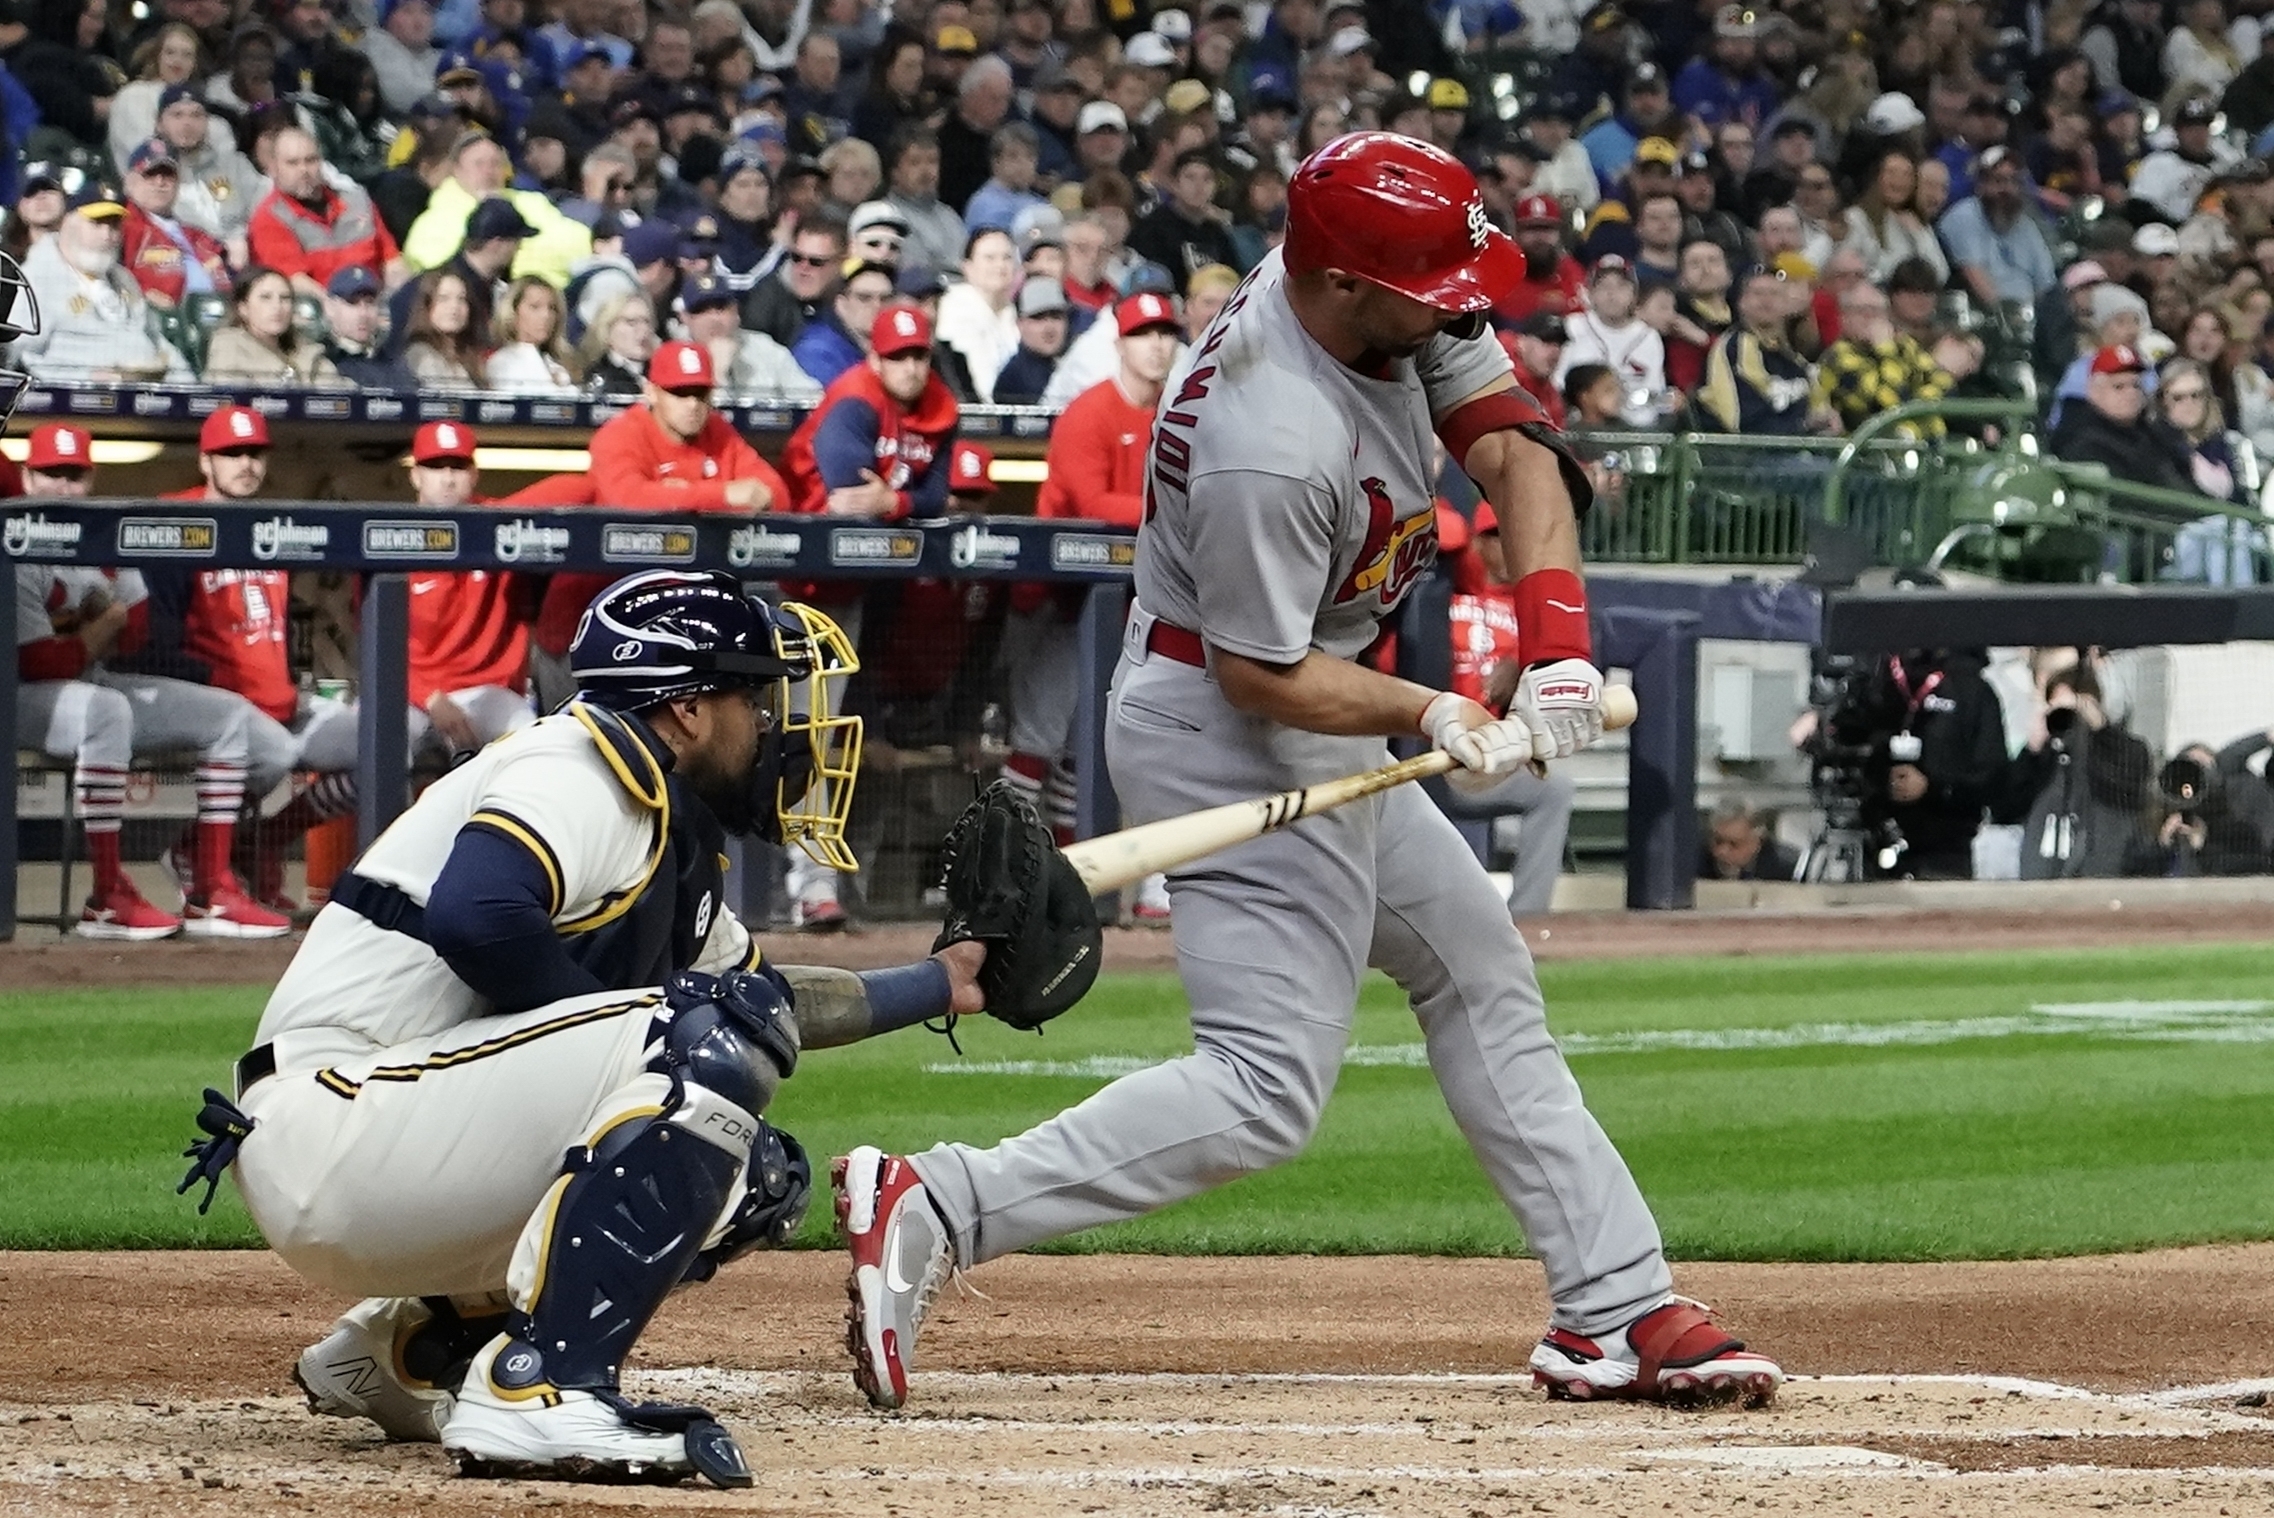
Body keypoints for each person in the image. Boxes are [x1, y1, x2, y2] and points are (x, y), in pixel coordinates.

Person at [833, 133, 1784, 1413]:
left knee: (1477, 968)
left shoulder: (1373, 298)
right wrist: (1439, 706)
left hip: (1319, 694)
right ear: (1341, 284)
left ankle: (1611, 1307)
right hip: (1224, 715)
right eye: (1433, 285)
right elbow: (1259, 673)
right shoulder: (1267, 435)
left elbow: (1517, 452)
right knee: (1265, 1089)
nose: (1461, 300)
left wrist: (1556, 650)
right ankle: (936, 1201)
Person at [212, 567, 990, 1486]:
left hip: (388, 1133)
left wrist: (947, 982)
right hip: (335, 1122)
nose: (781, 724)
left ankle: (404, 1351)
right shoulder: (577, 764)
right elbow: (480, 915)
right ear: (690, 709)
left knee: (756, 1168)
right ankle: (539, 1393)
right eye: (758, 695)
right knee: (694, 1045)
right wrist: (629, 1026)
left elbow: (771, 1001)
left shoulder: (660, 818)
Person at [12, 423, 282, 942]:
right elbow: (42, 663)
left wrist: (97, 627)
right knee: (105, 709)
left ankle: (211, 889)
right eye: (52, 474)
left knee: (224, 715)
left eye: (75, 475)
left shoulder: (102, 539)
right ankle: (107, 895)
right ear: (27, 477)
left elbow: (136, 635)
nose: (65, 488)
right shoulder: (19, 545)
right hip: (14, 695)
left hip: (83, 680)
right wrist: (101, 624)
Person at [774, 303, 961, 930]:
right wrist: (897, 500)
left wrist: (897, 498)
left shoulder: (939, 403)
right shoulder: (852, 398)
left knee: (827, 731)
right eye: (898, 356)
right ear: (875, 358)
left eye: (919, 355)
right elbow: (842, 493)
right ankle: (806, 887)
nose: (911, 368)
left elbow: (939, 491)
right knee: (806, 730)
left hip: (862, 588)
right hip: (799, 584)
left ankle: (816, 885)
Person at [1000, 292, 1179, 849]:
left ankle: (1067, 866)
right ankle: (1007, 864)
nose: (1156, 345)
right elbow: (1092, 504)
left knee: (1085, 749)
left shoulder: (1176, 415)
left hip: (1125, 604)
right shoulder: (1090, 412)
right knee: (1037, 741)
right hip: (1056, 603)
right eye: (1143, 334)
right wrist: (1173, 512)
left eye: (1165, 333)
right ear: (1118, 343)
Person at [1441, 501, 1579, 919]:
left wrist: (1520, 666)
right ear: (1481, 540)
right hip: (1425, 751)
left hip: (1483, 761)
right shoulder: (1446, 587)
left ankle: (1527, 920)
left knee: (1553, 789)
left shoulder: (1524, 607)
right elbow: (1443, 528)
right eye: (1501, 536)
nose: (1514, 548)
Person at [397, 421, 538, 757]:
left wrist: (502, 515)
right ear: (415, 475)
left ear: (474, 474)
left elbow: (575, 489)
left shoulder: (499, 524)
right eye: (435, 467)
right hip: (414, 694)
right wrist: (430, 697)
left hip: (488, 692)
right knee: (380, 742)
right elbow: (381, 644)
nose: (447, 478)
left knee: (529, 741)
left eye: (458, 467)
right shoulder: (395, 536)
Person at [18, 181, 194, 384]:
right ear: (69, 223)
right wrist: (85, 379)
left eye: (114, 225)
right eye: (96, 224)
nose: (107, 235)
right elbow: (24, 354)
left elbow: (156, 341)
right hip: (78, 403)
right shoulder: (37, 278)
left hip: (143, 394)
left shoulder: (123, 279)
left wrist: (189, 386)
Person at [246, 125, 404, 298]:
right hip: (319, 314)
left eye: (310, 160)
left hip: (374, 302)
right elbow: (295, 283)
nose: (303, 170)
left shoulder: (357, 199)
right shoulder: (269, 218)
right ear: (273, 169)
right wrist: (343, 310)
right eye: (292, 163)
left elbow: (392, 260)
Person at [1814, 281, 1953, 438]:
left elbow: (1944, 383)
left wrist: (1920, 402)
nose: (1869, 318)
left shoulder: (1905, 346)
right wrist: (1885, 350)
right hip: (1868, 448)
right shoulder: (1837, 357)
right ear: (1844, 317)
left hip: (1921, 443)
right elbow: (1889, 404)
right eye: (1860, 311)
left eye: (1876, 311)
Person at [1694, 265, 1821, 435]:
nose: (1766, 300)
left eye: (1774, 294)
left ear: (1786, 304)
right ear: (1741, 303)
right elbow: (1741, 421)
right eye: (1758, 293)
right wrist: (1802, 426)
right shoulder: (1732, 348)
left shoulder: (1795, 359)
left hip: (1796, 451)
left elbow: (1818, 408)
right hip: (1748, 455)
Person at [119, 137, 233, 311]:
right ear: (130, 182)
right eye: (149, 174)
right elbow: (108, 274)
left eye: (168, 174)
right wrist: (142, 293)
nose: (160, 182)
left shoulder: (198, 235)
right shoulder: (122, 227)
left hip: (219, 314)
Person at [1937, 145, 2057, 310]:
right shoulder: (1963, 216)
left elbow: (2046, 285)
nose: (2006, 189)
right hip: (1989, 316)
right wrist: (2009, 317)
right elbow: (1976, 278)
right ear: (1980, 184)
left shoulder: (2026, 225)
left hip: (2031, 318)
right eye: (1998, 180)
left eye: (2014, 181)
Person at [1555, 255, 1666, 426]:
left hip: (1636, 432)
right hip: (1580, 428)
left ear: (1634, 294)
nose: (1612, 294)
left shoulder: (1649, 336)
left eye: (1621, 286)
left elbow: (1654, 394)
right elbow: (1557, 386)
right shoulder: (1572, 326)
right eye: (1603, 286)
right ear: (1590, 293)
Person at [677, 272, 819, 400]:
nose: (713, 318)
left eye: (721, 308)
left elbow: (814, 398)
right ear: (685, 318)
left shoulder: (765, 348)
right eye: (701, 310)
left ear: (736, 311)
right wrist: (718, 374)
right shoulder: (676, 356)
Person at [203, 265, 349, 388]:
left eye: (285, 298)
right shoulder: (228, 348)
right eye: (265, 298)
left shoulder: (308, 351)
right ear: (243, 308)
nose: (277, 307)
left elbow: (345, 396)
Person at [1129, 148, 1240, 294]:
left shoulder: (1217, 233)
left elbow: (1234, 276)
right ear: (1174, 184)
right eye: (1190, 177)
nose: (1199, 186)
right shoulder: (1152, 228)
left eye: (1207, 179)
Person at [936, 226, 1020, 400]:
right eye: (990, 258)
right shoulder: (953, 307)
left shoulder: (1015, 312)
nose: (1000, 265)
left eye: (1007, 258)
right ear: (967, 267)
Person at [790, 257, 896, 385]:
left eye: (885, 299)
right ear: (841, 305)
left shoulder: (892, 349)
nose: (877, 306)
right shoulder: (817, 352)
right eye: (864, 298)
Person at [738, 214, 841, 346]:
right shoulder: (766, 302)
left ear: (840, 263)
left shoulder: (856, 297)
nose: (803, 268)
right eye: (797, 257)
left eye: (816, 262)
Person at [321, 265, 419, 389]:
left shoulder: (393, 360)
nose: (363, 313)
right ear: (330, 307)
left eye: (370, 302)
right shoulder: (321, 360)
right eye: (352, 302)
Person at [486, 273, 577, 391]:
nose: (546, 315)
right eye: (535, 307)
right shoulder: (504, 362)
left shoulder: (559, 362)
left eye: (552, 308)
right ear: (513, 312)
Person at [400, 267, 488, 388]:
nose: (454, 307)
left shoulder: (472, 358)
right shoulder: (420, 355)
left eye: (462, 299)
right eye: (443, 298)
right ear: (427, 305)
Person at [991, 274, 1071, 403]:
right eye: (1038, 317)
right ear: (1019, 324)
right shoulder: (1014, 379)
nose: (1049, 327)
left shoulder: (1074, 364)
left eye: (1056, 316)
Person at [1699, 797, 1800, 881]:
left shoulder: (1788, 869)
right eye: (1718, 841)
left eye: (1734, 844)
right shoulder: (1695, 862)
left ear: (1758, 841)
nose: (1722, 851)